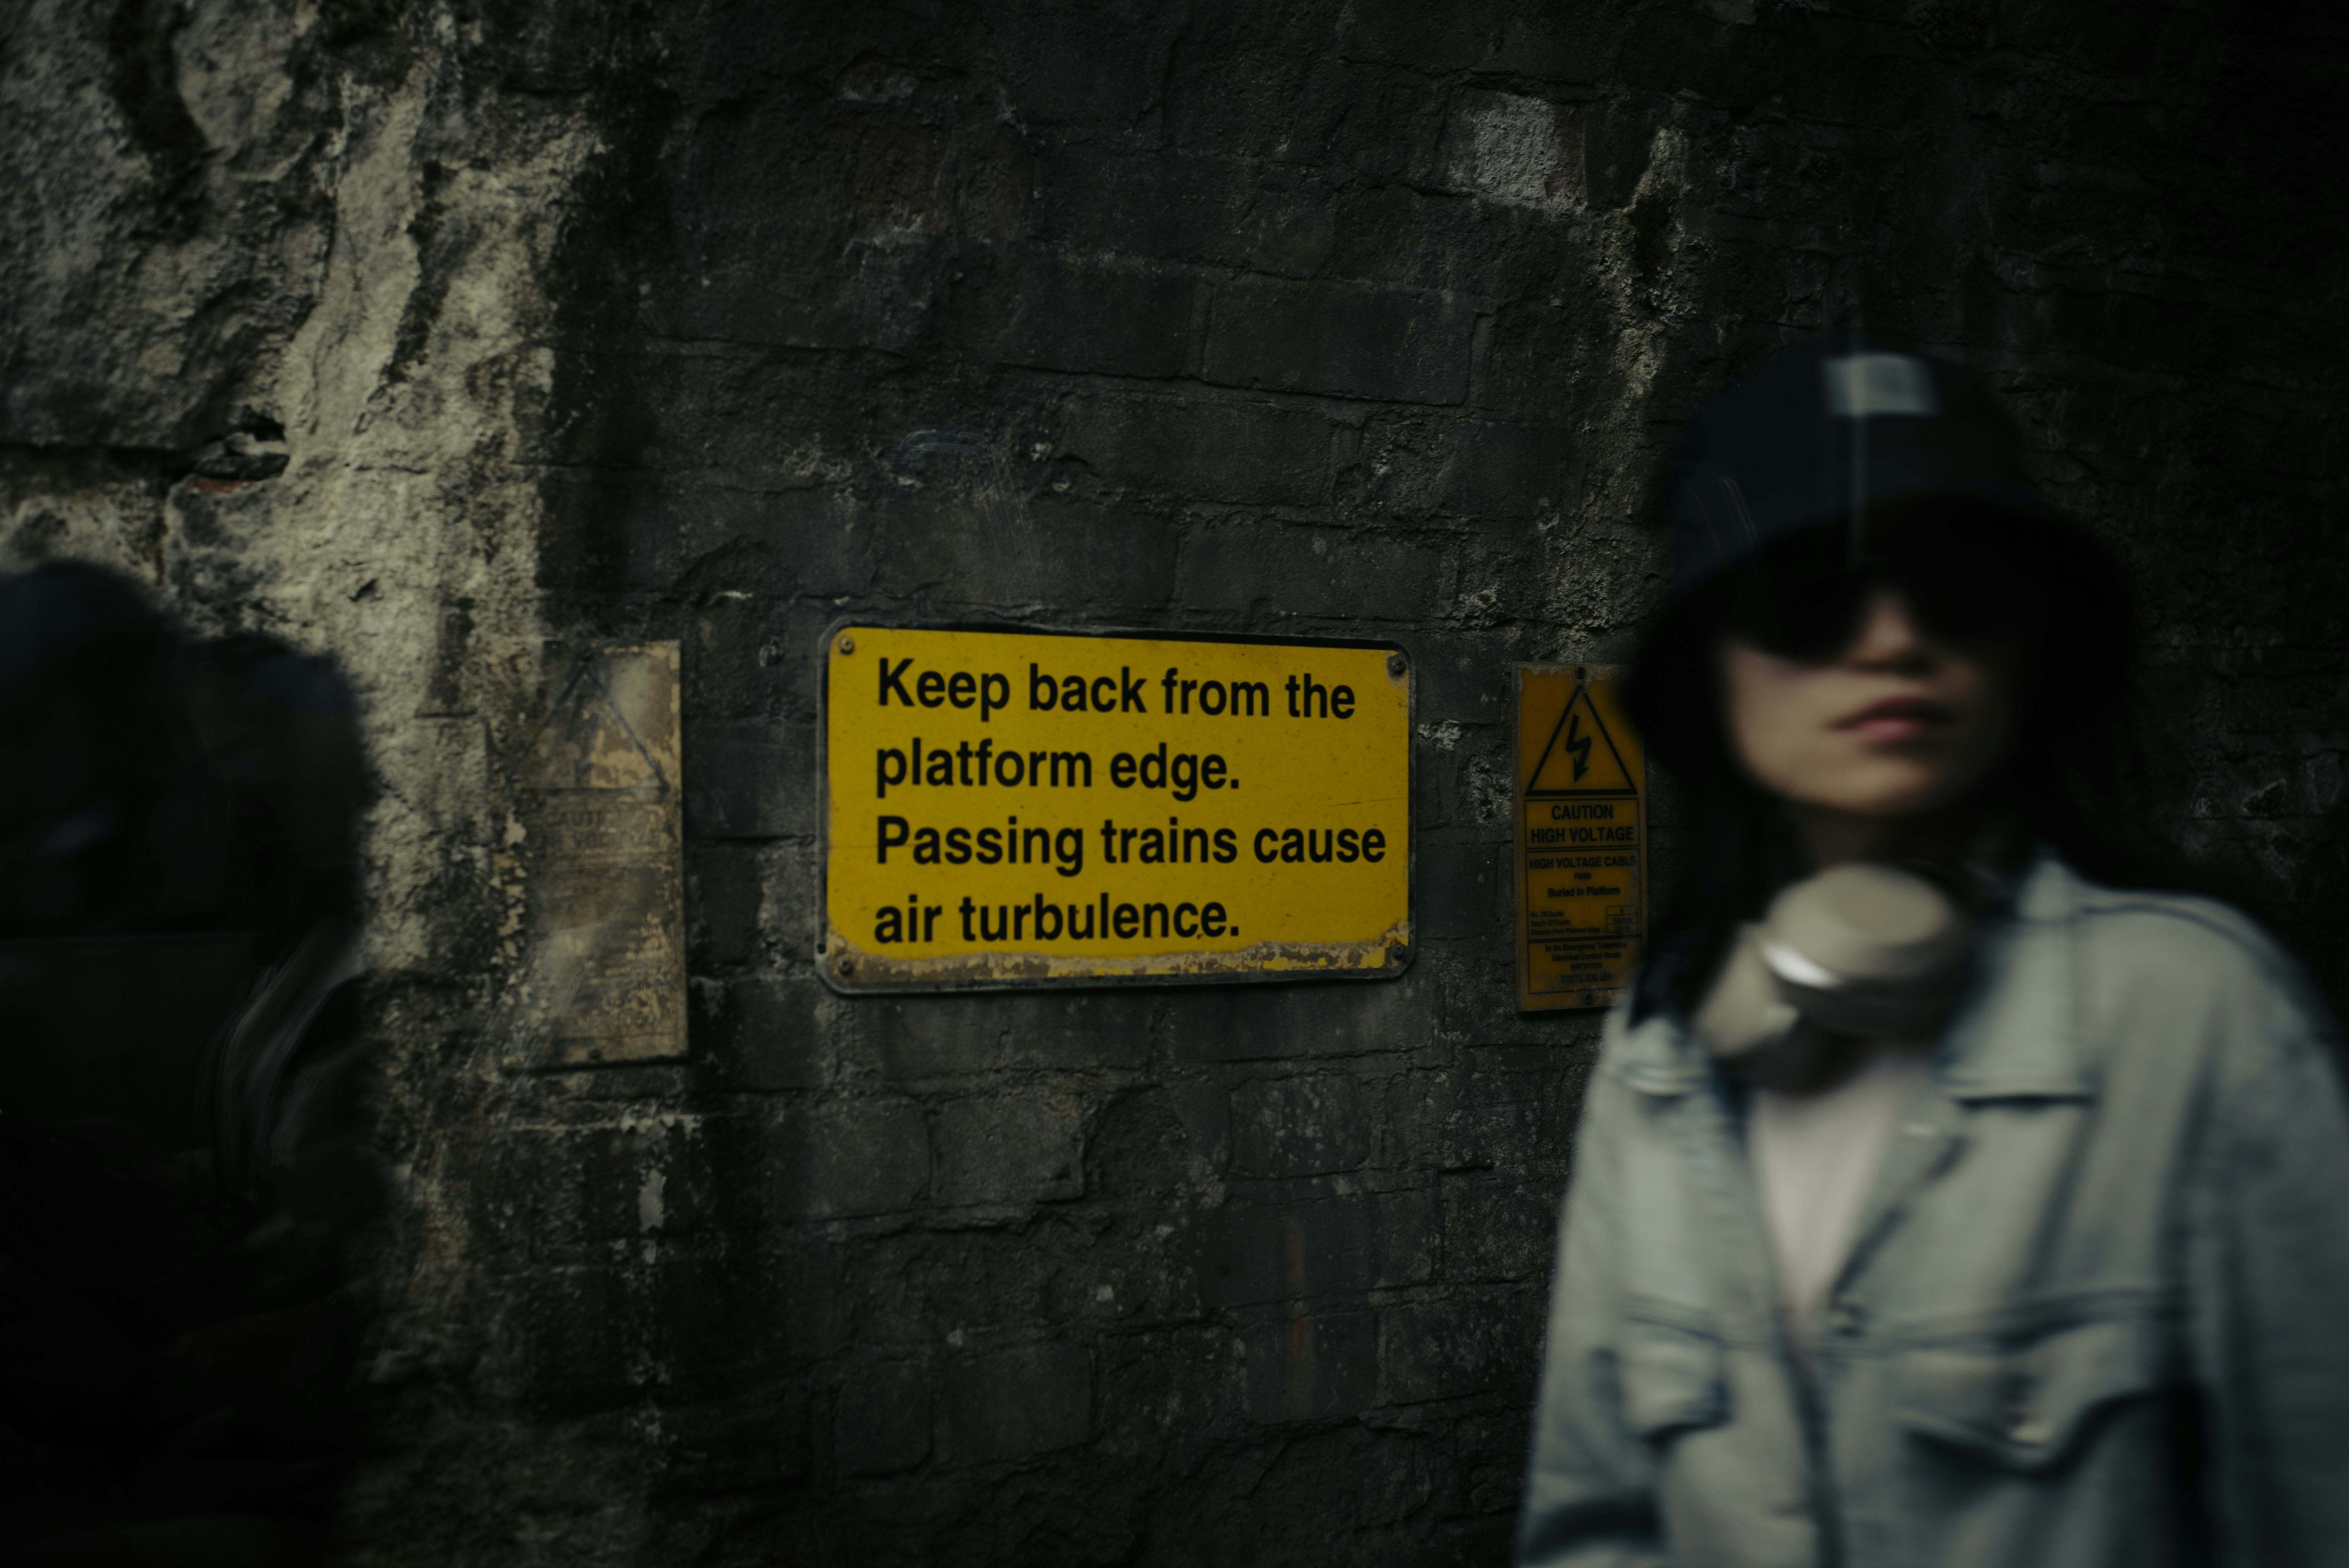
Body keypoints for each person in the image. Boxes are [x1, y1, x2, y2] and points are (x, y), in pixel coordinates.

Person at [1516, 339, 2349, 1566]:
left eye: (1959, 590)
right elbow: (1592, 1523)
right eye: (1811, 596)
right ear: (1713, 672)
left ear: (2031, 649)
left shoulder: (2203, 1014)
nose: (1896, 641)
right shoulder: (1662, 1044)